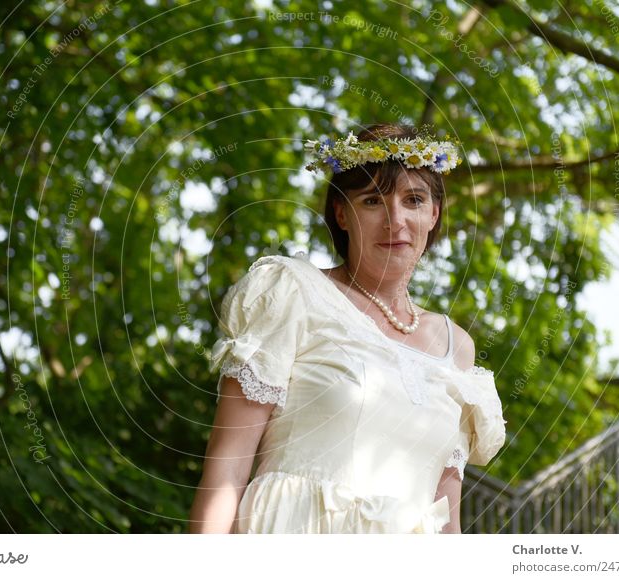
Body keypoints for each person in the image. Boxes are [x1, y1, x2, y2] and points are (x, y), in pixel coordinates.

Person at [188, 123, 506, 534]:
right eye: (373, 200)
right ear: (341, 214)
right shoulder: (293, 292)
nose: (395, 220)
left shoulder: (456, 348)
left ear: (434, 214)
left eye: (413, 200)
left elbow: (446, 519)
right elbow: (225, 473)